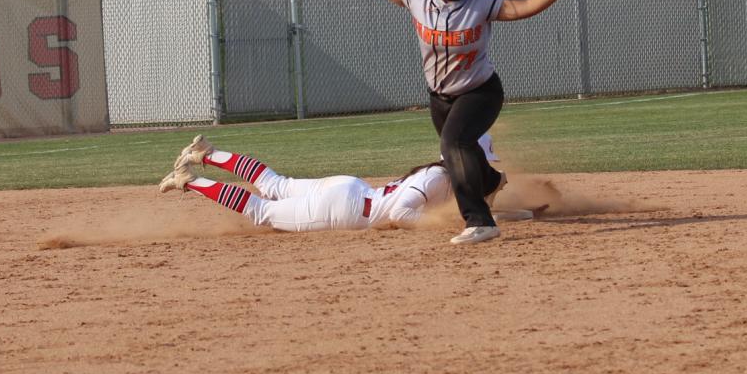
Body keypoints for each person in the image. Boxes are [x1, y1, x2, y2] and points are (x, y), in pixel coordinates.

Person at [366, 0, 581, 245]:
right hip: (440, 97)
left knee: (454, 145)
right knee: (462, 153)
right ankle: (492, 184)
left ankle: (480, 220)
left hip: (480, 92)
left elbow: (525, 7)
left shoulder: (480, 3)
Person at [155, 132, 534, 233]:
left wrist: (515, 214)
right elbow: (402, 214)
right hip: (349, 210)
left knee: (274, 184)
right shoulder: (439, 178)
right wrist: (440, 224)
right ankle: (191, 180)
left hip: (352, 191)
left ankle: (207, 153)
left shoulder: (439, 172)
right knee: (261, 211)